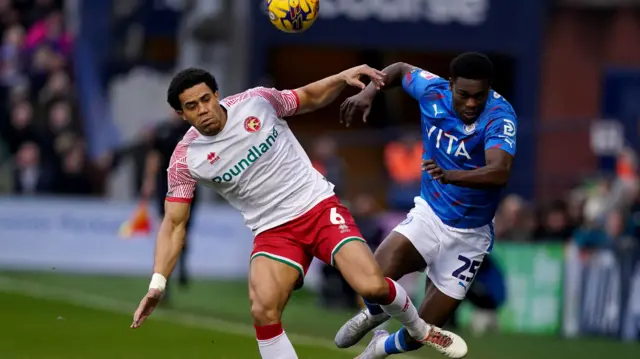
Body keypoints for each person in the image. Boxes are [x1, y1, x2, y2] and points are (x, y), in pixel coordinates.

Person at [129, 67, 467, 359]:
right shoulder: (185, 160)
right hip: (273, 232)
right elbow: (174, 225)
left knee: (373, 287)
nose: (203, 109)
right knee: (262, 310)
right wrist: (157, 284)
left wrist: (340, 77)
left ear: (216, 94)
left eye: (206, 99)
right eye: (192, 106)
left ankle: (421, 330)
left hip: (317, 208)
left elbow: (307, 96)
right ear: (181, 114)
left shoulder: (257, 102)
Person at [335, 52, 517, 358]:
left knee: (422, 331)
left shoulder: (500, 116)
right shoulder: (431, 89)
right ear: (450, 85)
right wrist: (369, 92)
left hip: (470, 236)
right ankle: (374, 314)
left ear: (489, 90)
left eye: (479, 96)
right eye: (464, 95)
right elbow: (399, 69)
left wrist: (451, 175)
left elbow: (499, 171)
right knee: (371, 277)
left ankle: (381, 347)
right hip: (430, 215)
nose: (471, 104)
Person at [141, 112, 196, 297]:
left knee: (183, 231)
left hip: (189, 185)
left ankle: (181, 267)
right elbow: (154, 158)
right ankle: (165, 282)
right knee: (166, 230)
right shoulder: (163, 131)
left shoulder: (193, 130)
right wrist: (149, 181)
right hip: (166, 187)